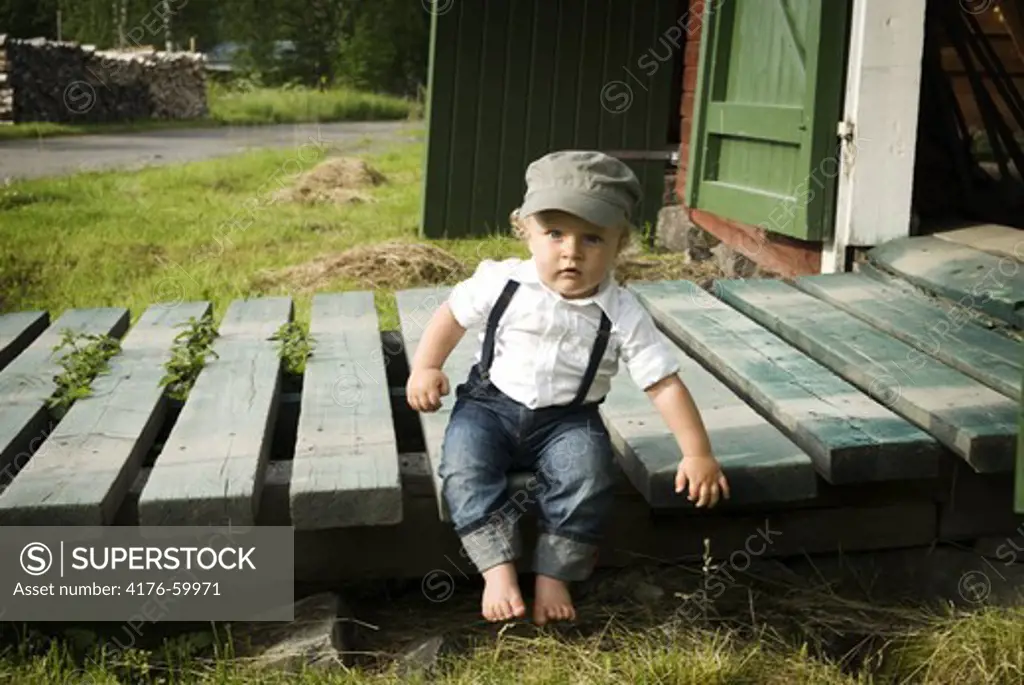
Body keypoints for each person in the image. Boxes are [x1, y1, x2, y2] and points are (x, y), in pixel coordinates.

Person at [405, 150, 730, 626]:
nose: (571, 251)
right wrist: (426, 366)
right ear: (526, 231)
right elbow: (451, 317)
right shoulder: (502, 282)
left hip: (567, 419)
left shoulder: (622, 311)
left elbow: (663, 383)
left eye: (592, 238)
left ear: (619, 244)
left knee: (590, 473)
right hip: (488, 407)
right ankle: (497, 568)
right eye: (554, 233)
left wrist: (697, 452)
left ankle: (554, 573)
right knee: (463, 464)